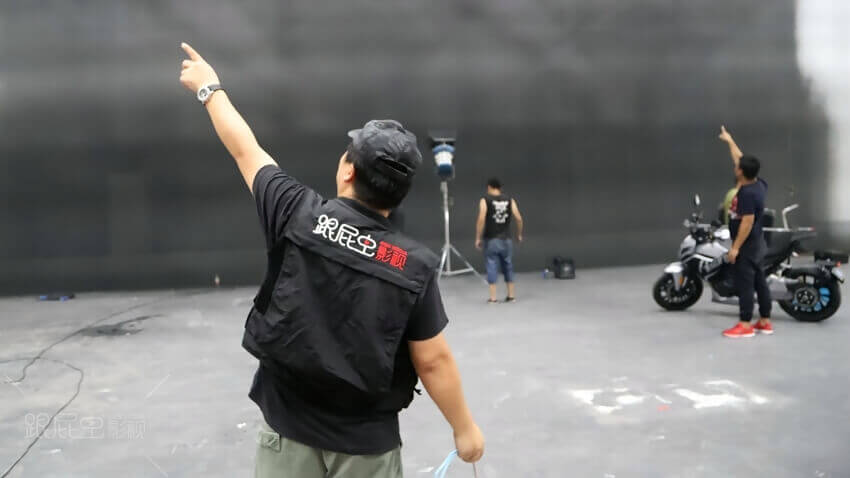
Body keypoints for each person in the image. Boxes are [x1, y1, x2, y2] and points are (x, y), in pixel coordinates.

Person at [178, 43, 484, 477]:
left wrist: (208, 88)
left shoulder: (294, 212)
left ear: (347, 170)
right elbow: (433, 360)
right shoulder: (411, 266)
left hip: (287, 431)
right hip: (365, 448)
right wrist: (465, 429)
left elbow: (246, 149)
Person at [717, 125, 773, 338]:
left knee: (746, 284)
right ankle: (765, 321)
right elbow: (739, 158)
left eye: (737, 166)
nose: (735, 166)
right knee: (760, 281)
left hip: (747, 244)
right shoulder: (758, 184)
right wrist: (729, 140)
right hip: (758, 243)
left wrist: (735, 248)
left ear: (740, 172)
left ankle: (745, 324)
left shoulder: (747, 194)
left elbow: (747, 222)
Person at [474, 178, 524, 303]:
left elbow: (481, 218)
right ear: (500, 188)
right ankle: (511, 296)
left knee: (491, 265)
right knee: (508, 265)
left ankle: (493, 298)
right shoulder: (510, 200)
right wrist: (519, 234)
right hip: (506, 239)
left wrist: (478, 237)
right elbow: (518, 218)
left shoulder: (485, 200)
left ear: (489, 187)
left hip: (491, 239)